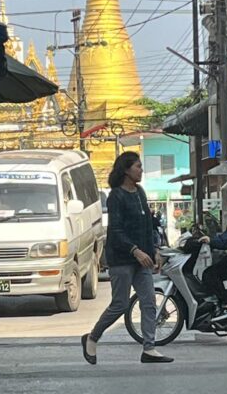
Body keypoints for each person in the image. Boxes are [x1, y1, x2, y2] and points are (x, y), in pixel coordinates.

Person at [82, 152, 173, 364]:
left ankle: (149, 348)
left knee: (149, 302)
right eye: (138, 166)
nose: (141, 170)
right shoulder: (116, 196)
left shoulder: (140, 192)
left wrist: (155, 250)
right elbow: (116, 231)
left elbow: (148, 224)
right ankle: (92, 338)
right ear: (126, 170)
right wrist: (135, 250)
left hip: (143, 259)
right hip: (122, 259)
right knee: (120, 304)